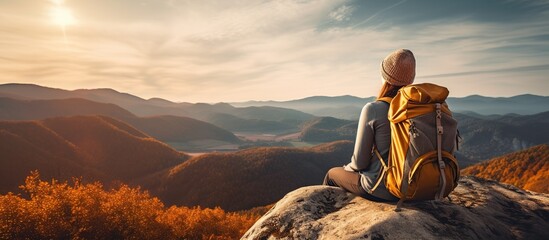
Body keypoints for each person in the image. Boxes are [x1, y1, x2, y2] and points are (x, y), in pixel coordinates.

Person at [323, 49, 416, 201]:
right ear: (410, 80)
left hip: (383, 189)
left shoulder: (374, 109)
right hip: (417, 188)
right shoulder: (421, 108)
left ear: (385, 77)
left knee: (332, 174)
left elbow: (360, 163)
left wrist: (347, 169)